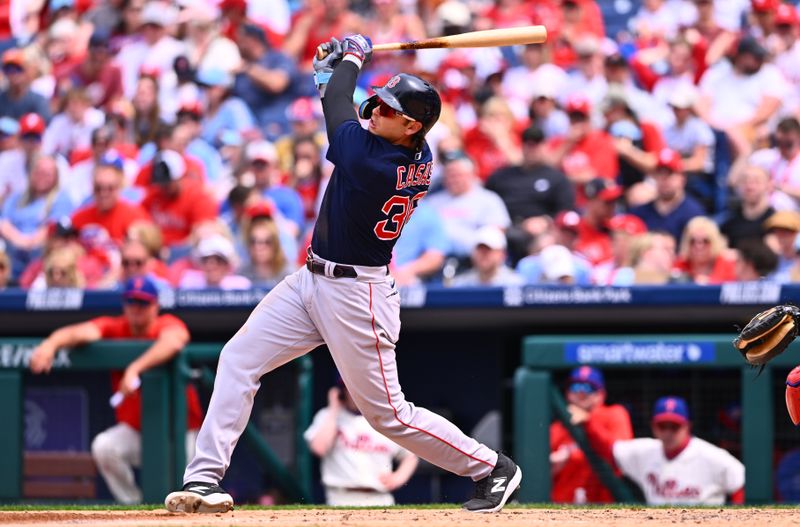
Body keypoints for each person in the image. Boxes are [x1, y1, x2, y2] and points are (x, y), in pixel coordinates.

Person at [164, 34, 521, 514]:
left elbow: (339, 110)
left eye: (387, 109)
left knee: (387, 415)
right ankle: (204, 479)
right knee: (238, 359)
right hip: (311, 280)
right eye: (376, 102)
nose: (374, 111)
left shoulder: (376, 161)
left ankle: (491, 468)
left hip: (358, 294)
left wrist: (351, 57)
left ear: (412, 125)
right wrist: (327, 75)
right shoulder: (401, 146)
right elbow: (342, 106)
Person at [29, 276, 203, 503]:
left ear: (155, 306)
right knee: (104, 446)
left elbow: (175, 340)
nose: (136, 309)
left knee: (188, 494)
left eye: (143, 303)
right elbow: (80, 332)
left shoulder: (166, 323)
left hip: (181, 434)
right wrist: (50, 344)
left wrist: (136, 368)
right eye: (131, 302)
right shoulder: (116, 326)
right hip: (137, 433)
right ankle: (133, 506)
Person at [568, 395, 745, 505]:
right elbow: (609, 449)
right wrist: (589, 423)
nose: (668, 432)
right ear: (653, 427)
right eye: (662, 426)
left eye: (674, 426)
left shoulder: (711, 456)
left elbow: (742, 484)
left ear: (687, 427)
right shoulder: (645, 451)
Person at [304, 380, 419, 506]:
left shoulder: (386, 419)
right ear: (342, 391)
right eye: (352, 388)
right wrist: (333, 409)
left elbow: (411, 455)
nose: (359, 393)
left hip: (380, 498)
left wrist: (398, 477)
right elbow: (319, 448)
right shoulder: (328, 416)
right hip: (340, 498)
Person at [550, 366, 633, 504]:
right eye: (576, 387)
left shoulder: (614, 415)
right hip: (563, 509)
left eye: (589, 388)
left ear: (601, 394)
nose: (581, 392)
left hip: (606, 509)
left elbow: (622, 456)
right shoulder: (556, 429)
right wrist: (550, 466)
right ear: (567, 393)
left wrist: (589, 422)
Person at [450, 226, 524, 287]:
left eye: (489, 250)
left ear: (502, 254)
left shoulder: (515, 284)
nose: (483, 255)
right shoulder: (460, 285)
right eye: (480, 250)